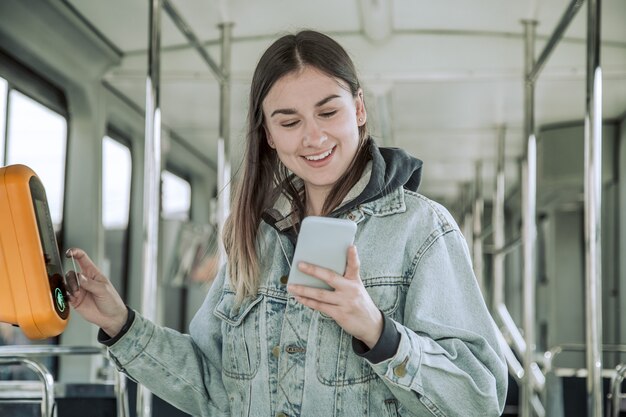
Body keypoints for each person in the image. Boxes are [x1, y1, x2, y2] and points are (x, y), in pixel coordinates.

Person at [67, 30, 507, 417]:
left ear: (358, 109)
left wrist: (378, 331)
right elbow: (213, 389)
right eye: (290, 121)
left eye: (328, 112)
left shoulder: (423, 229)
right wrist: (121, 323)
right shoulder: (253, 239)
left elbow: (480, 399)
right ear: (270, 135)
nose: (312, 137)